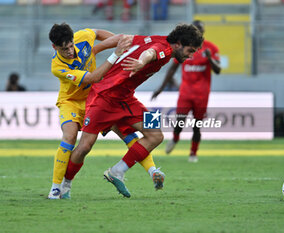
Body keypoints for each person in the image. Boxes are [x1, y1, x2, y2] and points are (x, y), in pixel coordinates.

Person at [60, 23, 204, 198]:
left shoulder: (156, 39)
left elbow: (124, 38)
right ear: (179, 44)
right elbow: (150, 53)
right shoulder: (164, 49)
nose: (190, 56)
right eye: (190, 50)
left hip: (126, 98)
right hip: (104, 96)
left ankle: (116, 172)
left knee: (156, 135)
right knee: (84, 146)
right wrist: (141, 61)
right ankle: (64, 185)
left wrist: (97, 49)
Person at [48, 23, 161, 199]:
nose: (70, 51)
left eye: (71, 46)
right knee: (73, 139)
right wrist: (117, 52)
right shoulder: (57, 66)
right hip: (72, 101)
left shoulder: (82, 36)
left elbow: (101, 34)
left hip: (101, 96)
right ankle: (58, 187)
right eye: (64, 49)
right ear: (54, 47)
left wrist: (120, 44)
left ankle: (151, 171)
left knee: (134, 133)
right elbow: (94, 77)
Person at [151, 20, 221, 163]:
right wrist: (161, 88)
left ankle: (193, 153)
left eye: (200, 30)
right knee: (180, 121)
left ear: (203, 32)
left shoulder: (211, 49)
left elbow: (218, 70)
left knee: (197, 125)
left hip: (202, 94)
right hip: (186, 92)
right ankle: (175, 138)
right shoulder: (185, 48)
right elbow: (172, 69)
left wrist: (209, 59)